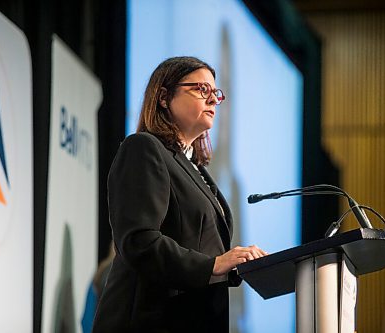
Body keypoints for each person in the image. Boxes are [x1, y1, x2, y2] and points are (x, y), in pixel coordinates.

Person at [92, 56, 267, 333]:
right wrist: (214, 264)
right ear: (164, 97)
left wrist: (238, 266)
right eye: (202, 90)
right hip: (148, 320)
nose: (213, 100)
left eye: (216, 93)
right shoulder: (143, 148)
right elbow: (140, 241)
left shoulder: (198, 170)